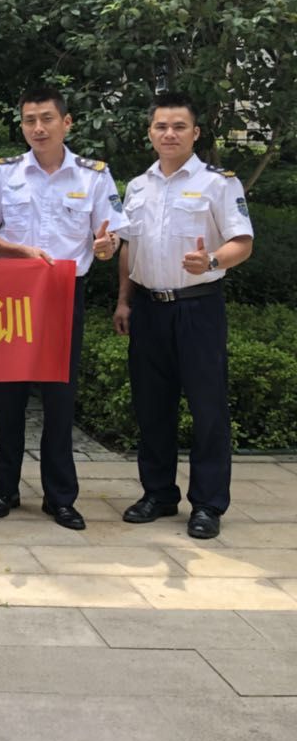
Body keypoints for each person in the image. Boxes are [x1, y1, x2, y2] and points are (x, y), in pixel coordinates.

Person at [0, 86, 125, 531]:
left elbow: (111, 237)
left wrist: (106, 246)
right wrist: (16, 250)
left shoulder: (93, 176)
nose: (37, 128)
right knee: (8, 398)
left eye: (46, 119)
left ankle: (60, 497)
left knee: (60, 400)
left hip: (63, 296)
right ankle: (5, 489)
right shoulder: (4, 173)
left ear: (66, 122)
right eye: (29, 120)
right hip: (12, 297)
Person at [113, 92, 254, 540]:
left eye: (178, 127)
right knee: (152, 406)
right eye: (161, 126)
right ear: (150, 133)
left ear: (195, 133)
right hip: (148, 308)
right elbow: (128, 247)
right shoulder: (138, 186)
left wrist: (211, 260)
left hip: (198, 307)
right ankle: (158, 493)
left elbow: (242, 242)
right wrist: (123, 300)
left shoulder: (219, 183)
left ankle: (208, 504)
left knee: (207, 407)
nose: (169, 134)